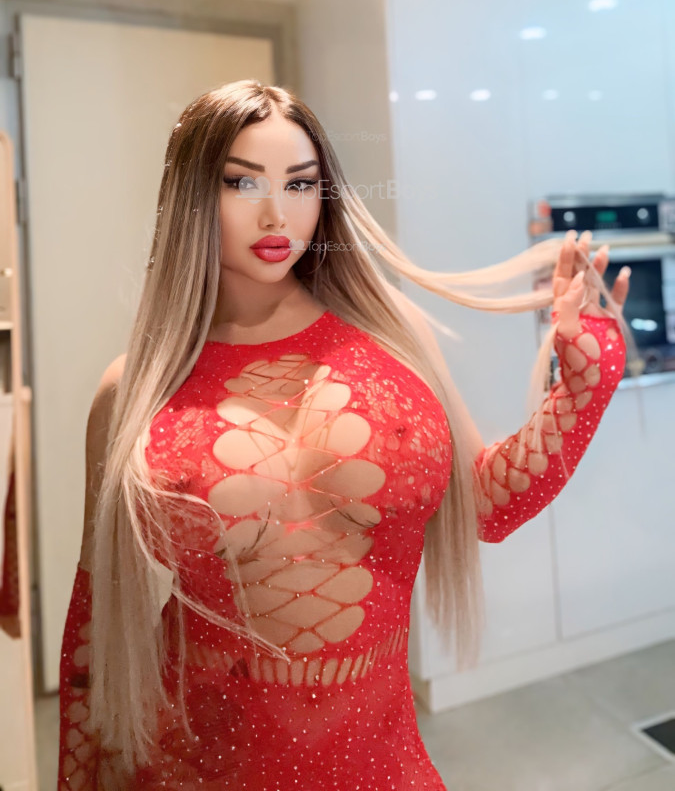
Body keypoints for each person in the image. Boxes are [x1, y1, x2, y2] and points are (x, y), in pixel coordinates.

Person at [57, 78, 629, 790]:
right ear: (191, 198)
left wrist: (583, 386)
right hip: (187, 767)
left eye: (300, 184)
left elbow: (488, 505)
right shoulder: (133, 391)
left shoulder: (395, 339)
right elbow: (95, 631)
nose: (277, 213)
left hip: (379, 765)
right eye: (241, 182)